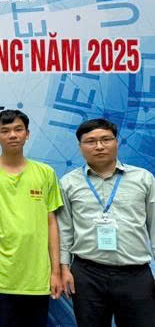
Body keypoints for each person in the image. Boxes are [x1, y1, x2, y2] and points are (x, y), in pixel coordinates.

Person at [58, 118, 155, 327]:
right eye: (91, 141)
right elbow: (64, 230)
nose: (99, 146)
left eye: (106, 139)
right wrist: (64, 268)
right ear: (80, 146)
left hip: (135, 274)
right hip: (87, 274)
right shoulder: (68, 183)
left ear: (116, 142)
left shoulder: (144, 179)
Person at [0, 109, 63, 327]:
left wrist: (56, 272)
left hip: (38, 277)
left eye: (18, 129)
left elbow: (52, 222)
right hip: (1, 275)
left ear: (27, 134)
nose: (12, 135)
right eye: (5, 131)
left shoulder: (45, 173)